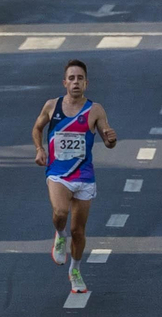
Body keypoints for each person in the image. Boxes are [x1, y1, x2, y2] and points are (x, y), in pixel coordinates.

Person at [32, 59, 118, 294]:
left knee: (79, 231)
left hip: (84, 176)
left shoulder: (95, 110)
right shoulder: (52, 106)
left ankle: (76, 270)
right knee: (60, 212)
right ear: (64, 82)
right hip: (58, 173)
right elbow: (37, 128)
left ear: (86, 83)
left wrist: (111, 139)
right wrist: (40, 149)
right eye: (71, 78)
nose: (76, 82)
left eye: (80, 78)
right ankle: (60, 236)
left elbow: (108, 140)